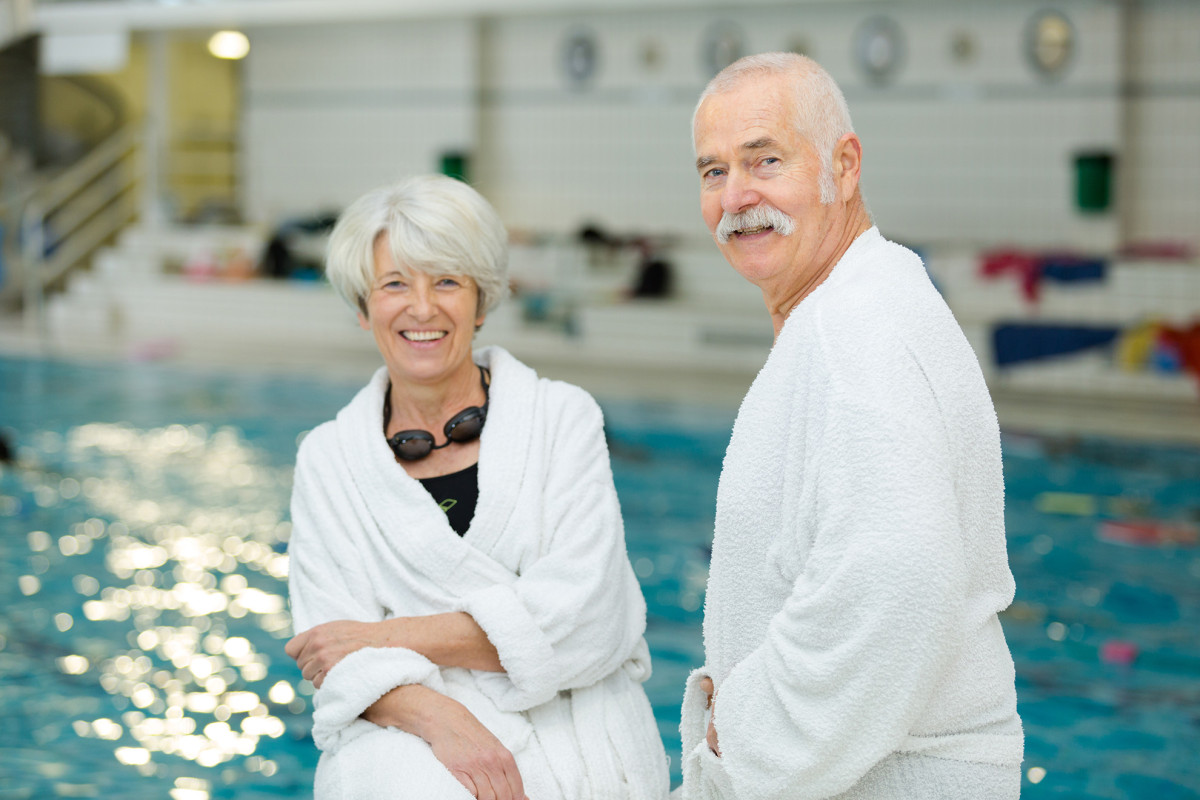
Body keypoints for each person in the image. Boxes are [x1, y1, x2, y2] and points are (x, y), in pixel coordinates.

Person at [678, 53, 1024, 799]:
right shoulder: (850, 310)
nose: (737, 196)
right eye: (713, 172)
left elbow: (898, 581)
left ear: (844, 164)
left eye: (765, 160)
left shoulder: (858, 330)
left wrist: (746, 730)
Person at [284, 175, 668, 800]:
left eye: (446, 282)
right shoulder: (329, 459)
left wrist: (387, 634)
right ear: (362, 307)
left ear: (481, 302)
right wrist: (447, 723)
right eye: (395, 284)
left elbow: (588, 619)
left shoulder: (562, 418)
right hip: (415, 746)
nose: (423, 308)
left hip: (581, 748)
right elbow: (332, 654)